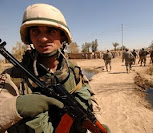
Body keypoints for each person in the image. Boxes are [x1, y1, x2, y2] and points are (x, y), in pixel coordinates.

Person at [0, 3, 109, 133]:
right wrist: (17, 107)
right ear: (29, 37)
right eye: (36, 31)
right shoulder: (13, 77)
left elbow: (92, 105)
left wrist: (98, 125)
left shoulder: (74, 71)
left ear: (62, 35)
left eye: (50, 31)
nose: (43, 38)